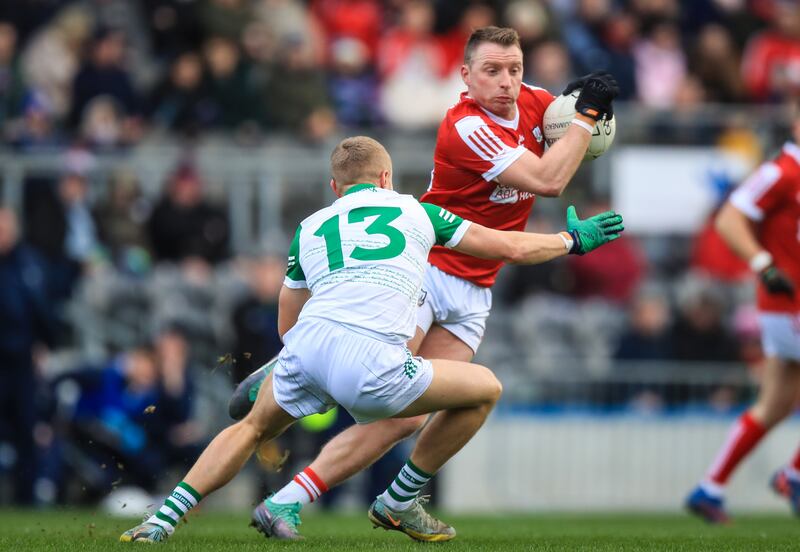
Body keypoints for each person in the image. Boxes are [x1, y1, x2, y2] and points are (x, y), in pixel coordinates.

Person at [120, 136, 624, 543]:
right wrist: (571, 241)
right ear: (386, 179)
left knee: (251, 428)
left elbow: (286, 322)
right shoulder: (418, 212)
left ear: (335, 187)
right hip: (374, 360)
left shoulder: (309, 228)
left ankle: (160, 522)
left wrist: (307, 363)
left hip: (309, 345)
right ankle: (400, 499)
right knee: (484, 389)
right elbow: (507, 247)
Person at [229, 26, 619, 540]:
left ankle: (354, 500)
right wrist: (585, 118)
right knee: (378, 384)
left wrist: (576, 111)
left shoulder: (537, 103)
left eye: (515, 69)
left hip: (476, 287)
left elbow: (564, 136)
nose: (506, 81)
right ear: (466, 75)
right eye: (492, 71)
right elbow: (549, 180)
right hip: (427, 268)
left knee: (409, 417)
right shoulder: (466, 126)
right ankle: (291, 365)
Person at [685, 106, 800, 523]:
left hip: (789, 308)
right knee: (774, 403)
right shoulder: (782, 171)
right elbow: (730, 218)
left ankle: (710, 488)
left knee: (774, 405)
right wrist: (764, 264)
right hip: (788, 304)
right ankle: (793, 476)